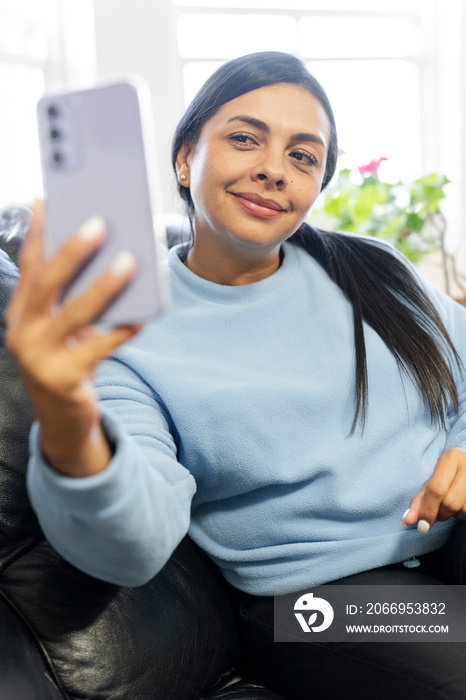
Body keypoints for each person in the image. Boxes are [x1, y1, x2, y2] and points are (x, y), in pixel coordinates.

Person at [6, 51, 466, 699]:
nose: (274, 170)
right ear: (186, 158)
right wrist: (63, 408)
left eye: (303, 157)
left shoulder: (375, 268)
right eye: (245, 139)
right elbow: (130, 543)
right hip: (320, 599)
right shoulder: (126, 328)